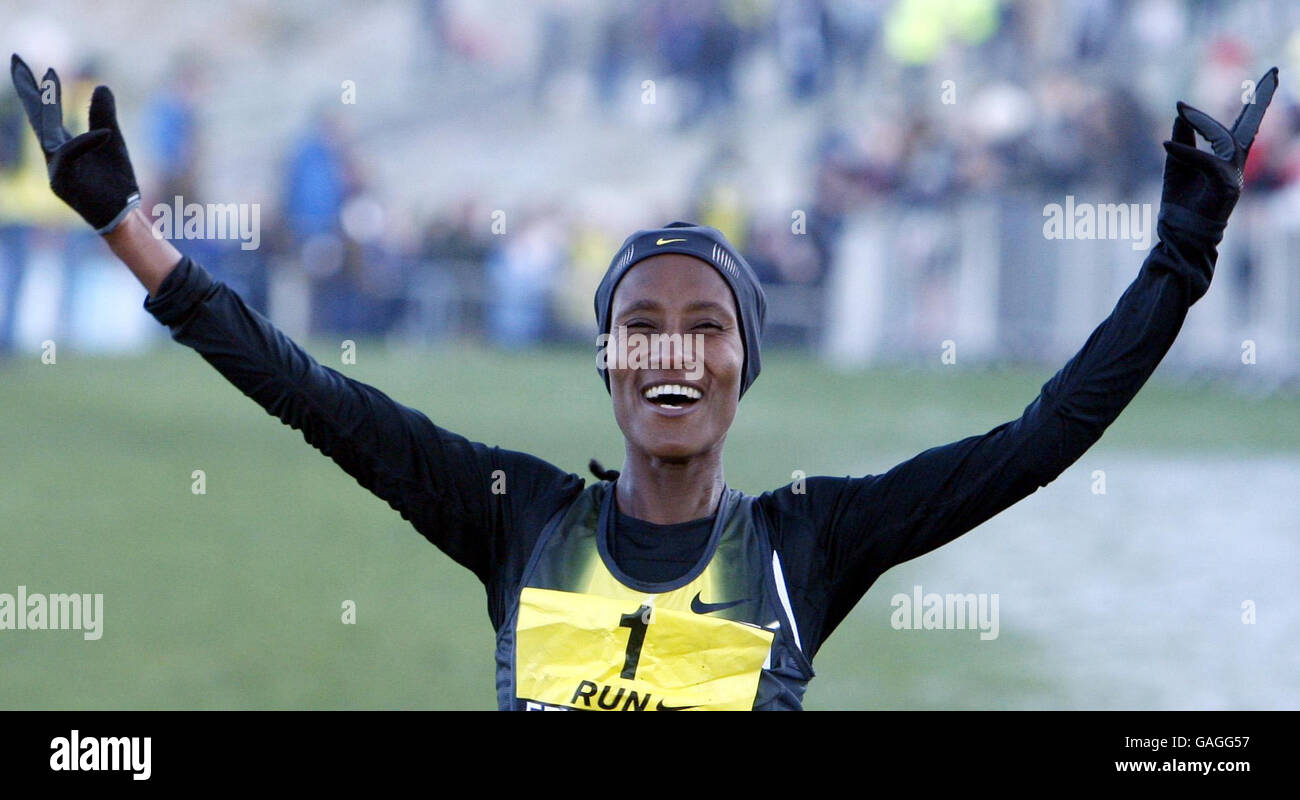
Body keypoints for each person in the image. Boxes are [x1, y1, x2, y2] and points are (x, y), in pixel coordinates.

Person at [8, 52, 1277, 711]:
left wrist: (1180, 250)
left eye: (707, 325)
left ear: (745, 363)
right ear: (609, 360)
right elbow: (307, 391)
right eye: (642, 325)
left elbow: (1044, 432)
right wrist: (129, 227)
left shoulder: (811, 541)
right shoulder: (516, 514)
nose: (674, 347)